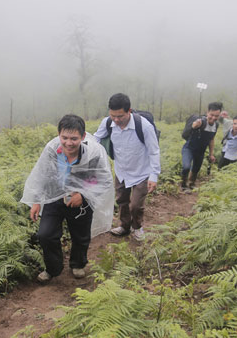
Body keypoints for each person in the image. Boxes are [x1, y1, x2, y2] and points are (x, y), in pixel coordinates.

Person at [21, 114, 114, 282]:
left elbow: (104, 180)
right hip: (54, 197)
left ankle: (78, 264)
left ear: (83, 137)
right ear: (59, 134)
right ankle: (53, 268)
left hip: (80, 202)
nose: (68, 143)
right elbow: (41, 174)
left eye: (74, 138)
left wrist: (83, 195)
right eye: (64, 137)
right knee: (45, 234)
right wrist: (36, 201)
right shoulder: (52, 150)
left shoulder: (93, 154)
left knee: (81, 235)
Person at [93, 93, 161, 241]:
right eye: (113, 116)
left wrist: (154, 175)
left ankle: (137, 227)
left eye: (120, 116)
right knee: (122, 201)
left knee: (136, 205)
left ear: (129, 111)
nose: (116, 120)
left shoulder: (143, 125)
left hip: (142, 172)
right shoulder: (107, 123)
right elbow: (95, 139)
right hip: (121, 170)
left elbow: (154, 150)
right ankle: (124, 226)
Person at [181, 102, 222, 191]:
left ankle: (191, 184)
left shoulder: (216, 125)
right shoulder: (201, 122)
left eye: (217, 116)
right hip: (189, 148)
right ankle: (183, 184)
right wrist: (194, 126)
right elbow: (192, 127)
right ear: (207, 112)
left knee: (196, 169)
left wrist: (211, 154)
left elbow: (211, 139)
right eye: (212, 115)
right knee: (186, 166)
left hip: (201, 151)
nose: (214, 118)